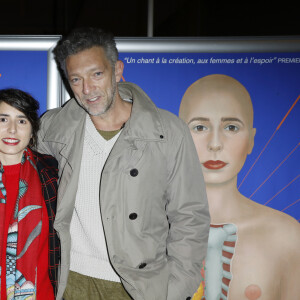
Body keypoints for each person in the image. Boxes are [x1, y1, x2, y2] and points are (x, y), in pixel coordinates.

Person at [37, 27, 210, 300]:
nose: (88, 89)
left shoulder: (167, 131)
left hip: (138, 286)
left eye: (97, 74)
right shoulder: (53, 128)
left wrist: (175, 289)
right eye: (76, 79)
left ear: (117, 70)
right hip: (69, 282)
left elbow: (189, 216)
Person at [179, 74, 300, 300]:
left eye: (231, 127)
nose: (215, 144)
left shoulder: (286, 236)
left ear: (251, 140)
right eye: (200, 127)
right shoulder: (151, 229)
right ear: (179, 136)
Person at [0, 88, 60, 299]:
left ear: (33, 131)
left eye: (22, 121)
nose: (12, 130)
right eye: (3, 119)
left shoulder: (52, 173)